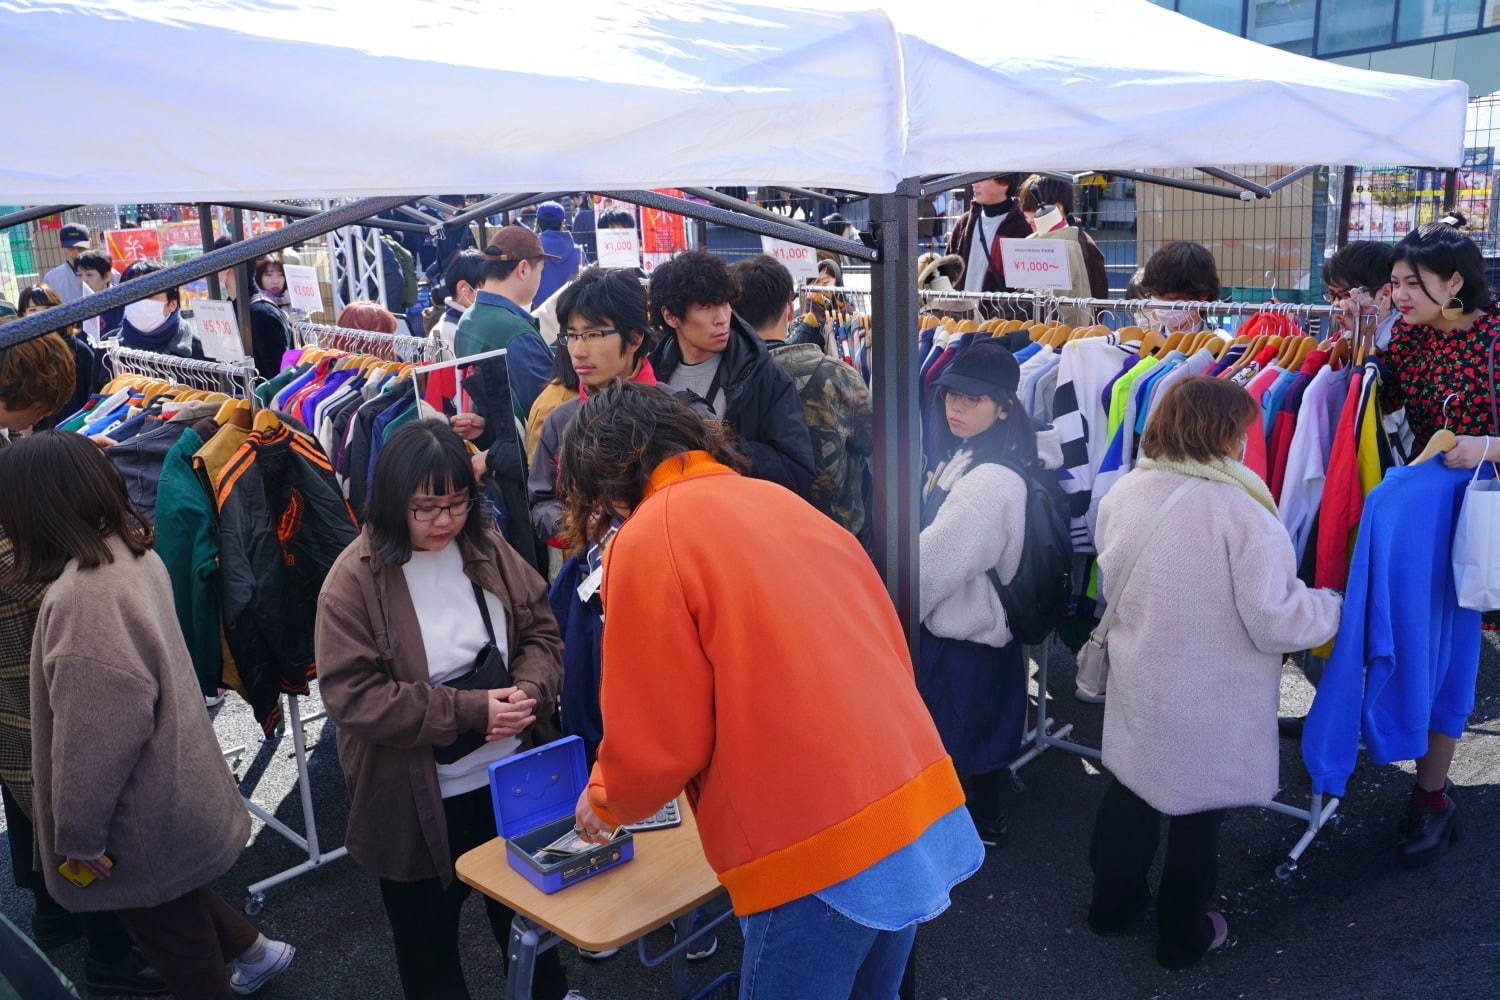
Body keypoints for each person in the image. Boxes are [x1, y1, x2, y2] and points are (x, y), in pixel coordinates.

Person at [562, 383, 982, 1000]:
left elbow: (659, 735)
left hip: (812, 835)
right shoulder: (775, 498)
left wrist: (604, 799)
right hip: (906, 790)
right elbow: (886, 639)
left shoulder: (652, 536)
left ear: (604, 474)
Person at [0, 431, 296, 999]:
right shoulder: (125, 550)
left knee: (174, 943)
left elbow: (96, 739)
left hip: (133, 818)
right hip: (171, 789)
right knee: (173, 902)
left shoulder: (79, 599)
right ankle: (256, 953)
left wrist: (77, 837)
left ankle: (249, 962)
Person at [315, 420, 576, 1000]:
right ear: (390, 503)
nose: (444, 522)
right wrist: (469, 711)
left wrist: (531, 690)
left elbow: (540, 629)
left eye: (457, 504)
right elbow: (352, 696)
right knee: (427, 945)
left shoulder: (485, 544)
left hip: (512, 782)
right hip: (415, 799)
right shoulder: (353, 581)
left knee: (530, 920)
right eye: (426, 508)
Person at [1087, 376, 1340, 970]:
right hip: (1210, 689)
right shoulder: (1240, 511)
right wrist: (1333, 605)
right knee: (1197, 817)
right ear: (1224, 434)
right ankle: (1182, 936)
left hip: (1141, 672)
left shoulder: (1128, 491)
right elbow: (1276, 619)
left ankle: (1111, 907)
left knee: (1131, 793)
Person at [1374, 216, 1500, 864]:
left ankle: (1431, 794)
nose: (1398, 295)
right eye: (1393, 283)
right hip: (1431, 513)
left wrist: (1487, 447)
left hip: (1486, 508)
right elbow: (1386, 402)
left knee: (1455, 647)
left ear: (1455, 282)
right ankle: (1430, 791)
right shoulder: (1407, 339)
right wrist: (1362, 339)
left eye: (1410, 284)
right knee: (1443, 646)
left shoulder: (1495, 338)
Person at [918, 340, 1062, 843]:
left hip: (964, 640)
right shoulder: (986, 454)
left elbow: (933, 567)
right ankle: (984, 822)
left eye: (972, 398)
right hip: (987, 639)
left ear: (1004, 406)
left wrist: (891, 611)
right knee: (984, 741)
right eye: (950, 394)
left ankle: (969, 834)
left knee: (960, 744)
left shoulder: (988, 482)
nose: (955, 406)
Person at [647, 250, 815, 495]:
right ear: (671, 316)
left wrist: (724, 444)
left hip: (740, 518)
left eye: (725, 304)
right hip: (674, 518)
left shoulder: (763, 375)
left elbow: (797, 471)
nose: (722, 318)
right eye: (706, 307)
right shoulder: (650, 377)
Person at [732, 255, 872, 545]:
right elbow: (875, 444)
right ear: (788, 310)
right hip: (835, 541)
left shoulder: (718, 378)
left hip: (755, 540)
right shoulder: (835, 375)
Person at [527, 267, 656, 547]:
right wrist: (578, 524)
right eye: (572, 335)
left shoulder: (677, 414)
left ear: (635, 338)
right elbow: (540, 502)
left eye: (594, 335)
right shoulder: (560, 419)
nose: (578, 351)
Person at [453, 226, 557, 422]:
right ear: (524, 269)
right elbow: (548, 410)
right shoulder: (515, 332)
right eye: (540, 270)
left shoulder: (467, 319)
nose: (540, 278)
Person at [210, 237, 292, 377]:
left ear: (226, 269)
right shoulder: (233, 308)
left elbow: (278, 378)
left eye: (211, 266)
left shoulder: (261, 314)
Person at [945, 174, 1031, 295]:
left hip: (1004, 313)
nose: (974, 183)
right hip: (960, 311)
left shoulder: (1022, 225)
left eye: (983, 177)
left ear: (1005, 182)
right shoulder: (964, 223)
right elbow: (948, 273)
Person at [110, 260, 204, 358]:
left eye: (148, 295)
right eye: (131, 295)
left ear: (173, 303)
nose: (138, 302)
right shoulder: (108, 348)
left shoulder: (198, 351)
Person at [1321, 240, 1396, 347]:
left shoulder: (1405, 341)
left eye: (1347, 295)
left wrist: (1365, 335)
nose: (1337, 304)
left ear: (1385, 293)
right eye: (1332, 295)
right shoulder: (1341, 338)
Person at [1138, 241, 1221, 332]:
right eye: (1155, 296)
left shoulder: (1220, 344)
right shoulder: (1141, 340)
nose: (1162, 305)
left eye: (1172, 298)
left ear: (1202, 295)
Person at [532, 202, 583, 309]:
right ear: (563, 222)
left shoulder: (531, 252)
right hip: (570, 312)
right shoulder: (577, 251)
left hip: (539, 313)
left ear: (538, 222)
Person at [433, 249, 485, 353]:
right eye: (485, 290)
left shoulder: (467, 320)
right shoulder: (446, 333)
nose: (490, 296)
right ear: (463, 288)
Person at [74, 250, 124, 344]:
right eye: (79, 275)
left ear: (107, 276)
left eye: (89, 275)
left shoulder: (122, 300)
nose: (83, 281)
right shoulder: (78, 308)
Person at [41, 224, 89, 305]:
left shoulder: (108, 272)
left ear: (90, 242)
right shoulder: (51, 279)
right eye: (71, 248)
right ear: (61, 246)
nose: (76, 252)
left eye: (81, 247)